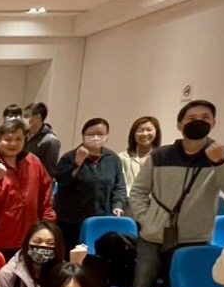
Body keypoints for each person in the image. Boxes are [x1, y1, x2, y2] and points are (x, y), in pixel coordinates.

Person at [129, 100, 224, 287]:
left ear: (213, 123)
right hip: (153, 237)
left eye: (205, 118)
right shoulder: (160, 155)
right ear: (180, 125)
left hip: (195, 239)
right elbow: (139, 191)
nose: (198, 121)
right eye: (192, 118)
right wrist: (145, 218)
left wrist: (219, 162)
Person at [0, 118, 56, 258]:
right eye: (8, 139)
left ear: (25, 139)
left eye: (18, 139)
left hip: (30, 238)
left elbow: (46, 194)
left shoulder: (33, 162)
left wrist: (48, 224)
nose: (13, 144)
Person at [53, 118, 128, 248]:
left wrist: (118, 205)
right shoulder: (69, 157)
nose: (96, 138)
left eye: (100, 134)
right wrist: (77, 162)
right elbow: (61, 180)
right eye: (91, 134)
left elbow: (119, 185)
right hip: (71, 222)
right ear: (83, 135)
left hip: (101, 219)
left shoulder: (113, 158)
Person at [0, 221, 69, 287]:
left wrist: (77, 263)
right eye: (37, 242)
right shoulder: (8, 273)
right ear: (27, 244)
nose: (43, 246)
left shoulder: (63, 271)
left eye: (50, 243)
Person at [121, 116, 161, 195]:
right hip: (129, 200)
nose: (144, 134)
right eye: (140, 130)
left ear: (157, 132)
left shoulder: (163, 157)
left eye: (149, 130)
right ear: (133, 134)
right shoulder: (122, 158)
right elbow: (121, 186)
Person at [24, 103, 61, 170]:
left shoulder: (50, 141)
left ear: (38, 117)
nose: (23, 119)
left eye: (26, 116)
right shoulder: (23, 135)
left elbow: (49, 170)